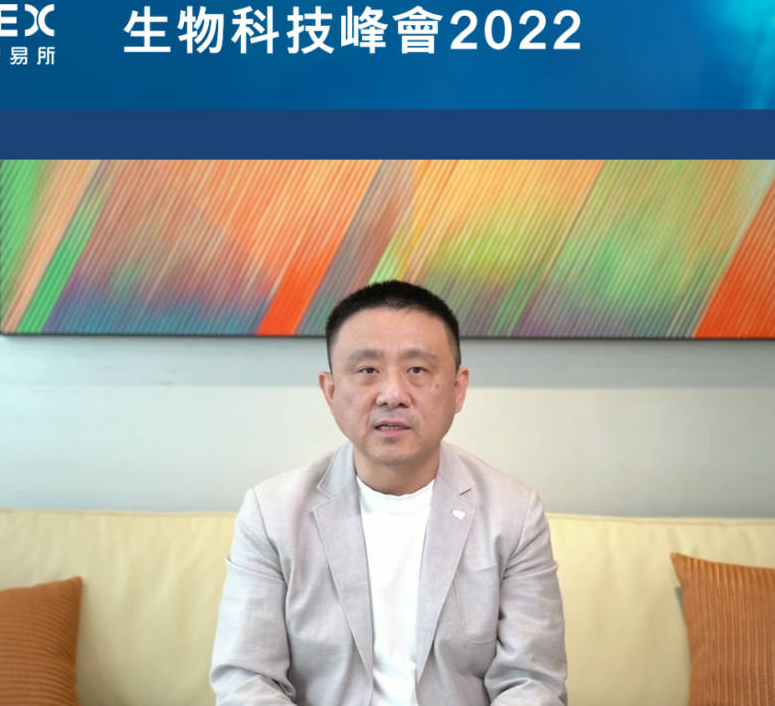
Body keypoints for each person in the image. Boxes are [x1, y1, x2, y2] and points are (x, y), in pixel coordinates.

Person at [210, 280, 568, 706]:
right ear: (330, 391)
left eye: (417, 370)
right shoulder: (271, 514)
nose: (393, 394)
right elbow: (246, 679)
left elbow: (532, 682)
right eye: (367, 370)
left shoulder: (514, 513)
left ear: (458, 389)